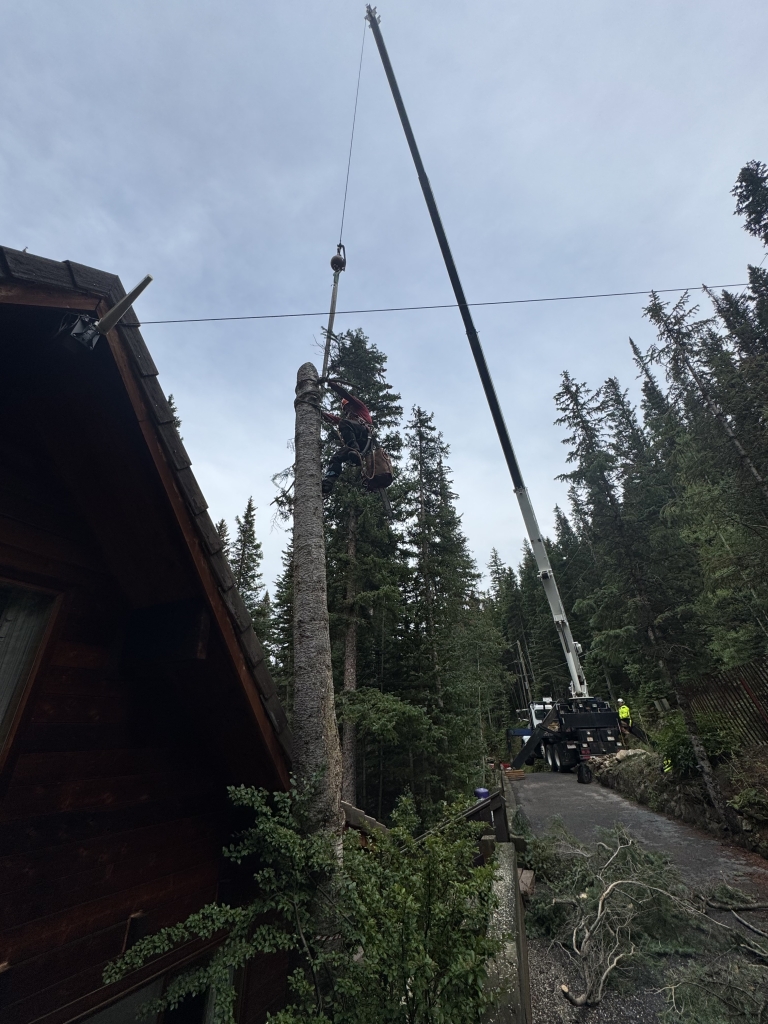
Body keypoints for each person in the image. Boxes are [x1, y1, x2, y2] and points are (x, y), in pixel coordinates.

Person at [321, 381, 372, 496]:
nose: (347, 411)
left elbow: (345, 394)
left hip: (364, 436)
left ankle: (355, 450)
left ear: (351, 405)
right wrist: (320, 413)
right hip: (355, 445)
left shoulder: (360, 408)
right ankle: (328, 483)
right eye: (345, 410)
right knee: (336, 457)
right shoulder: (348, 421)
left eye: (347, 407)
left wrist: (332, 385)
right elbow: (334, 419)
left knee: (344, 423)